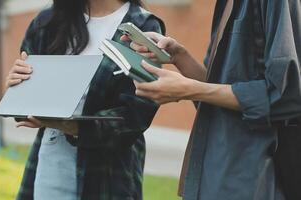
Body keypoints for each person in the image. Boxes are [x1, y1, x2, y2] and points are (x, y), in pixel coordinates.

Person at [123, 0, 301, 199]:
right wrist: (180, 56)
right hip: (212, 172)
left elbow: (287, 95)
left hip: (251, 178)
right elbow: (217, 93)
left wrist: (192, 90)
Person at [6, 0, 165, 199]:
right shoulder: (49, 20)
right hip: (54, 153)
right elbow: (26, 98)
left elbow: (138, 111)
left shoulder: (143, 26)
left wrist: (75, 127)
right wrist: (19, 85)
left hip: (111, 165)